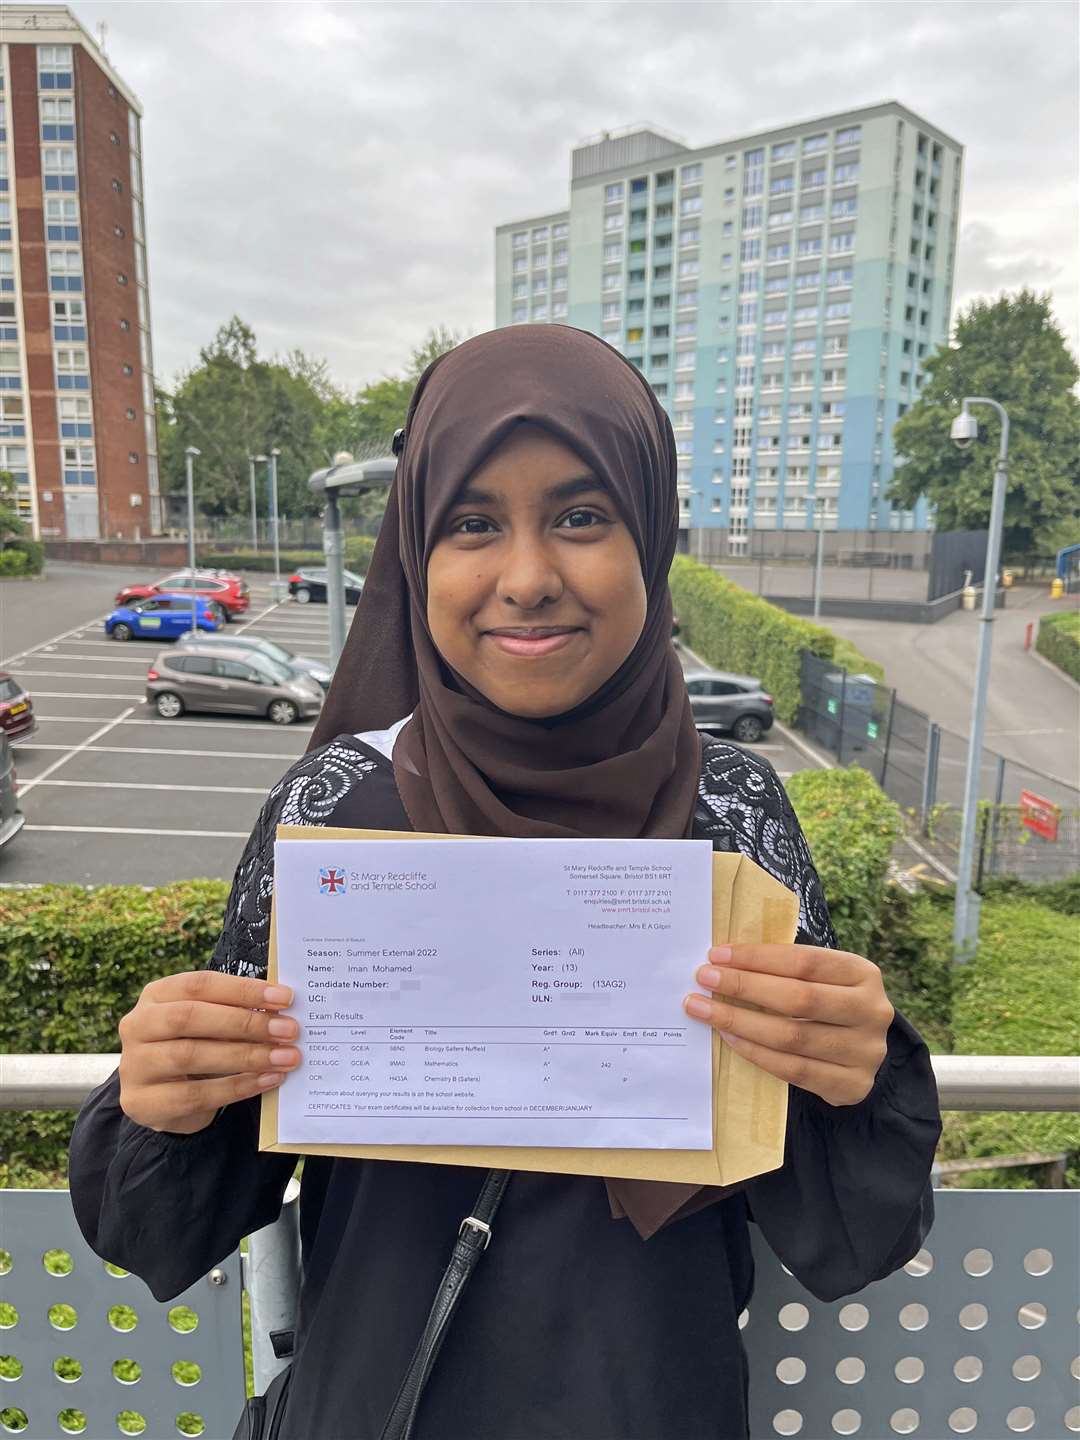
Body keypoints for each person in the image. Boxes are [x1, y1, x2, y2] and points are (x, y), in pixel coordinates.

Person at [69, 325, 940, 1440]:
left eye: (581, 517)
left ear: (652, 535)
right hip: (381, 1410)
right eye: (472, 524)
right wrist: (168, 1098)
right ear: (416, 554)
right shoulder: (340, 807)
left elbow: (852, 1236)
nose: (527, 579)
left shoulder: (730, 815)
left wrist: (851, 1078)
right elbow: (162, 1231)